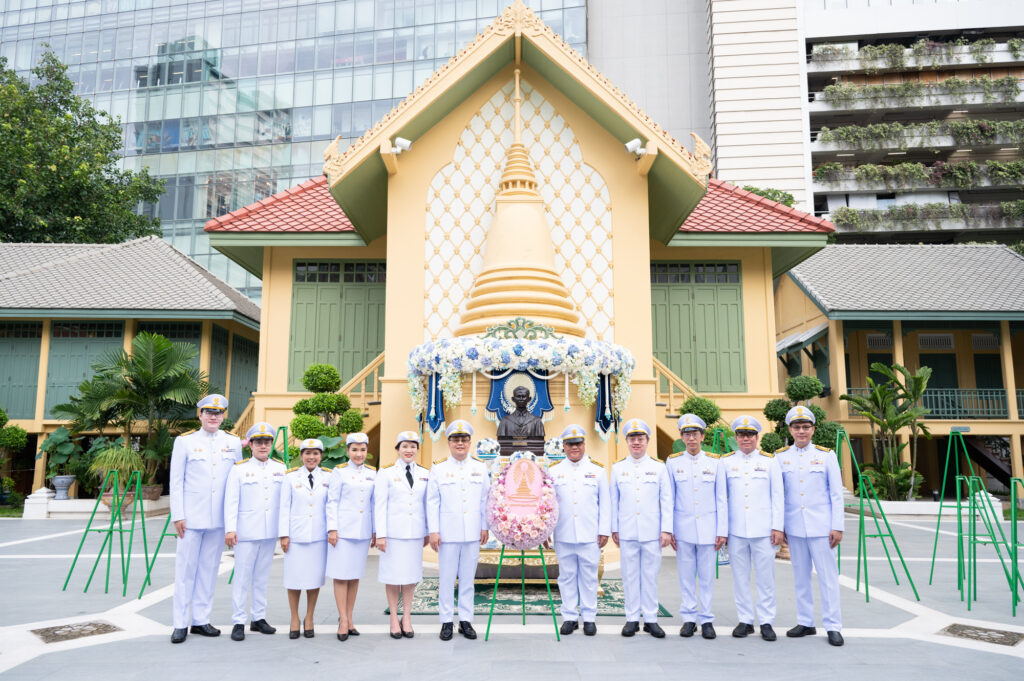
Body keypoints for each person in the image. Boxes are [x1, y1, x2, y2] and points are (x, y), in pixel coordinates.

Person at [168, 394, 242, 644]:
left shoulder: (232, 442)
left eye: (218, 413)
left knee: (209, 571)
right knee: (185, 570)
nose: (214, 417)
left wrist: (232, 521)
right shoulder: (185, 441)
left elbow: (236, 483)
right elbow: (176, 481)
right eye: (209, 412)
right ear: (199, 415)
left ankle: (200, 620)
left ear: (223, 416)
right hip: (190, 518)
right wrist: (177, 514)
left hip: (219, 519)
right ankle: (180, 623)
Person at [778, 405, 845, 647]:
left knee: (828, 578)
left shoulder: (827, 456)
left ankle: (833, 626)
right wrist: (780, 526)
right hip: (795, 527)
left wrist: (837, 526)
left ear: (813, 429)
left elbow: (836, 494)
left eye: (806, 427)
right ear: (790, 430)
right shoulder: (780, 457)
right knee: (800, 577)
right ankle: (805, 621)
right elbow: (780, 496)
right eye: (797, 427)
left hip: (822, 528)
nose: (801, 431)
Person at [722, 415, 784, 642]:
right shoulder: (726, 462)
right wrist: (723, 530)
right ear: (736, 438)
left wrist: (778, 527)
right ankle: (745, 620)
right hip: (736, 530)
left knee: (765, 578)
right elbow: (722, 499)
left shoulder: (770, 461)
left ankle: (766, 621)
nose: (745, 439)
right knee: (740, 577)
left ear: (757, 437)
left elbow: (778, 497)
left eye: (750, 435)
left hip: (764, 530)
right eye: (741, 435)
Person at [666, 413, 727, 640]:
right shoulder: (673, 462)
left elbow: (722, 499)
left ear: (702, 436)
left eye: (695, 434)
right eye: (687, 434)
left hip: (710, 529)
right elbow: (669, 499)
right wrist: (669, 529)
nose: (691, 438)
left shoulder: (715, 462)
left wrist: (722, 530)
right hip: (683, 529)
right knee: (686, 575)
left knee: (707, 575)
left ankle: (707, 619)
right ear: (682, 437)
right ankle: (689, 619)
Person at [427, 419, 489, 641]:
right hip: (447, 533)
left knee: (467, 578)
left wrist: (484, 526)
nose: (460, 444)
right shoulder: (439, 467)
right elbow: (432, 501)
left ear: (470, 442)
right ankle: (446, 621)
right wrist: (433, 530)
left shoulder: (480, 468)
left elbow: (484, 500)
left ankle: (465, 620)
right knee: (446, 578)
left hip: (472, 533)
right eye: (456, 440)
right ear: (449, 442)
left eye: (464, 440)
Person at [610, 418, 672, 638]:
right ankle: (631, 619)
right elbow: (612, 501)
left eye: (640, 439)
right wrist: (614, 528)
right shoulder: (618, 468)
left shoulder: (659, 468)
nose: (636, 443)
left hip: (651, 532)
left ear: (647, 441)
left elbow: (667, 501)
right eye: (632, 439)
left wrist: (666, 530)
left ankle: (651, 619)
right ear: (627, 441)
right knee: (629, 576)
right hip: (627, 532)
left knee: (650, 575)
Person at [224, 422, 286, 641]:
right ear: (250, 445)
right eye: (258, 442)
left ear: (271, 444)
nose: (263, 446)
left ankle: (258, 618)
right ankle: (238, 621)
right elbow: (231, 502)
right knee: (242, 577)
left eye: (267, 442)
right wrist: (230, 529)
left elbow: (284, 503)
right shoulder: (239, 469)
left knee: (261, 577)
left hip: (269, 533)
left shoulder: (280, 468)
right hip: (246, 532)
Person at [547, 424, 610, 636]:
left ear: (584, 445)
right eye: (570, 444)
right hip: (564, 533)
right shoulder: (554, 471)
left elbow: (605, 504)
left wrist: (604, 530)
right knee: (566, 577)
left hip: (590, 534)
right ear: (563, 446)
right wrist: (546, 531)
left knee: (589, 577)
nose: (575, 447)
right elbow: (547, 504)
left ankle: (589, 617)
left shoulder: (597, 471)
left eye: (579, 443)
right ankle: (570, 617)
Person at [374, 430, 429, 639]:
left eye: (413, 446)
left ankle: (407, 617)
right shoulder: (386, 473)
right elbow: (379, 505)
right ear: (397, 449)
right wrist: (380, 534)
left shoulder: (425, 473)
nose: (409, 450)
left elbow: (426, 505)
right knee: (392, 576)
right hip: (393, 534)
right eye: (405, 446)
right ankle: (393, 618)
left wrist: (426, 532)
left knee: (410, 577)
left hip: (414, 534)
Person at [326, 432, 376, 641]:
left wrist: (375, 531)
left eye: (362, 450)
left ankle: (350, 618)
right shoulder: (339, 472)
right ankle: (343, 619)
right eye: (354, 450)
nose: (359, 454)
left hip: (362, 531)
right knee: (341, 575)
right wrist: (332, 529)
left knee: (354, 576)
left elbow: (375, 504)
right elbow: (332, 501)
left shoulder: (373, 473)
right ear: (347, 451)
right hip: (343, 532)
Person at [279, 438, 330, 639]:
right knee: (294, 579)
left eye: (315, 453)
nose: (311, 457)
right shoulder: (290, 477)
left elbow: (331, 505)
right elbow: (284, 507)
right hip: (296, 535)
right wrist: (284, 534)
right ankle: (294, 618)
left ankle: (309, 617)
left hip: (319, 535)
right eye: (307, 453)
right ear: (301, 456)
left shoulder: (329, 477)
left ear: (321, 456)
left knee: (313, 579)